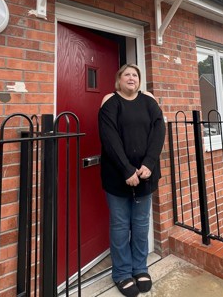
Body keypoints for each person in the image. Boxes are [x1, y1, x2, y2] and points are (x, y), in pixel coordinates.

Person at [98, 64, 166, 297]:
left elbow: (159, 132)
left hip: (146, 176)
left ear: (139, 81)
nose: (131, 78)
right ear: (119, 80)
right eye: (126, 74)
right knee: (119, 226)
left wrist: (148, 163)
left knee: (140, 224)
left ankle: (140, 267)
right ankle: (122, 273)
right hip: (118, 177)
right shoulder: (111, 102)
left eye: (135, 75)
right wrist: (127, 169)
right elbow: (109, 137)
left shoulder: (149, 102)